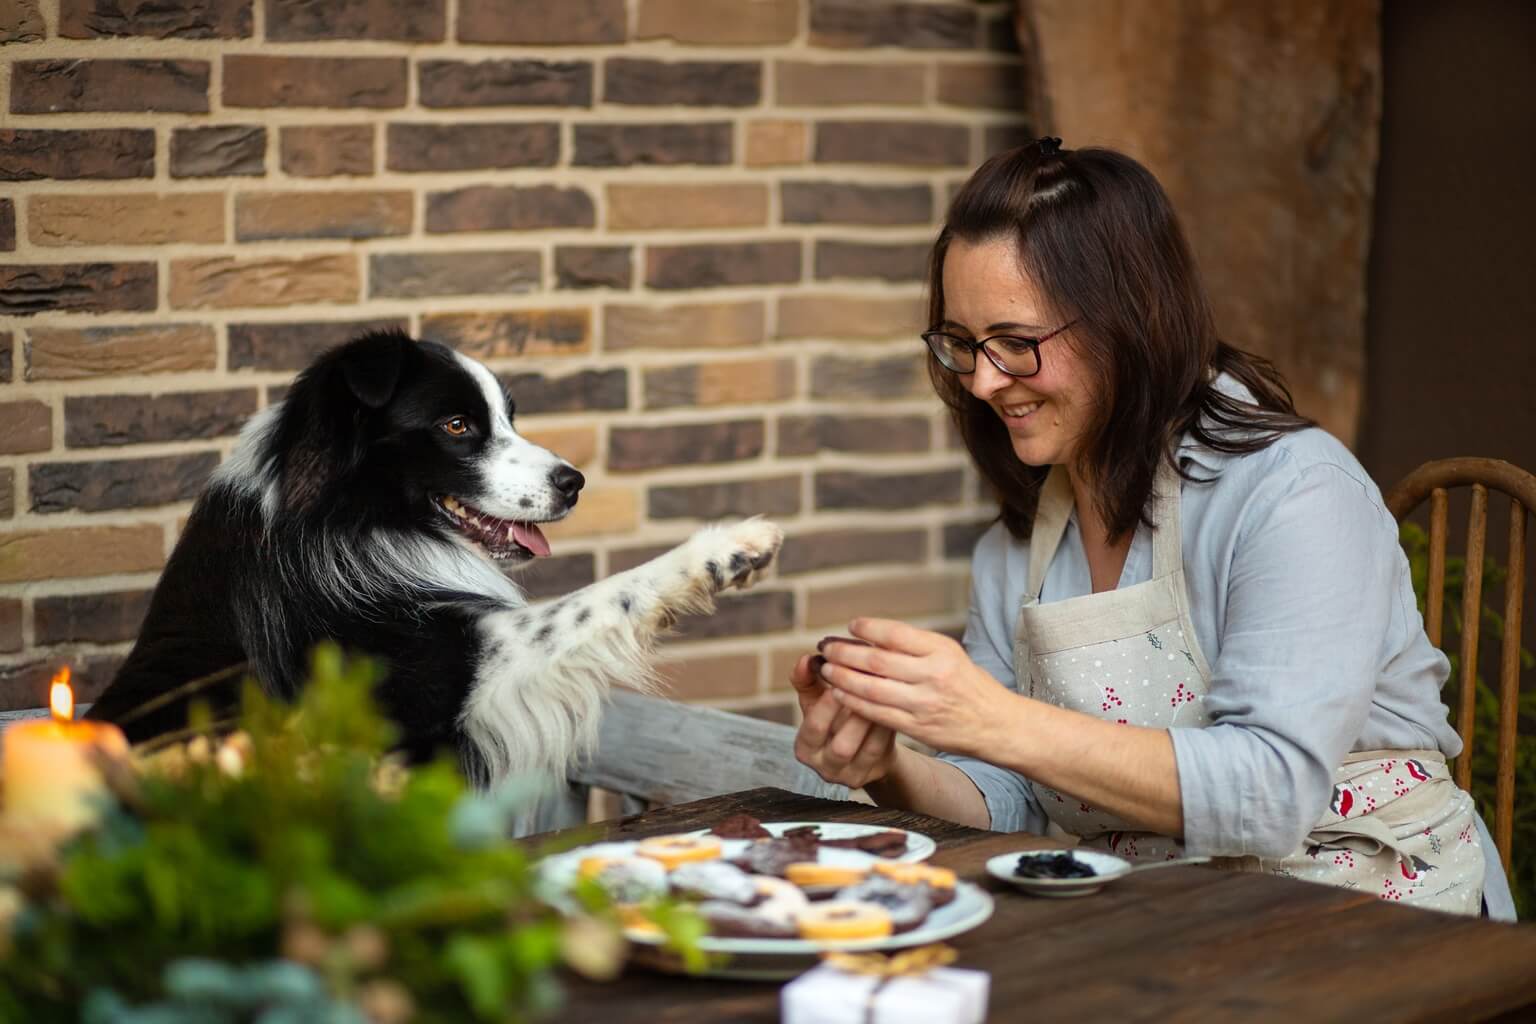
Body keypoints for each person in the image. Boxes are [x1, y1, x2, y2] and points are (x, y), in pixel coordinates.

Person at [790, 137, 1513, 918]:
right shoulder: (1020, 544)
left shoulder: (1297, 492)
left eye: (1016, 342)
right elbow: (1013, 803)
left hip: (1371, 917)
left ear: (1125, 322)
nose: (984, 380)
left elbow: (1269, 790)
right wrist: (888, 759)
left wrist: (991, 717)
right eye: (963, 344)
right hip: (1161, 922)